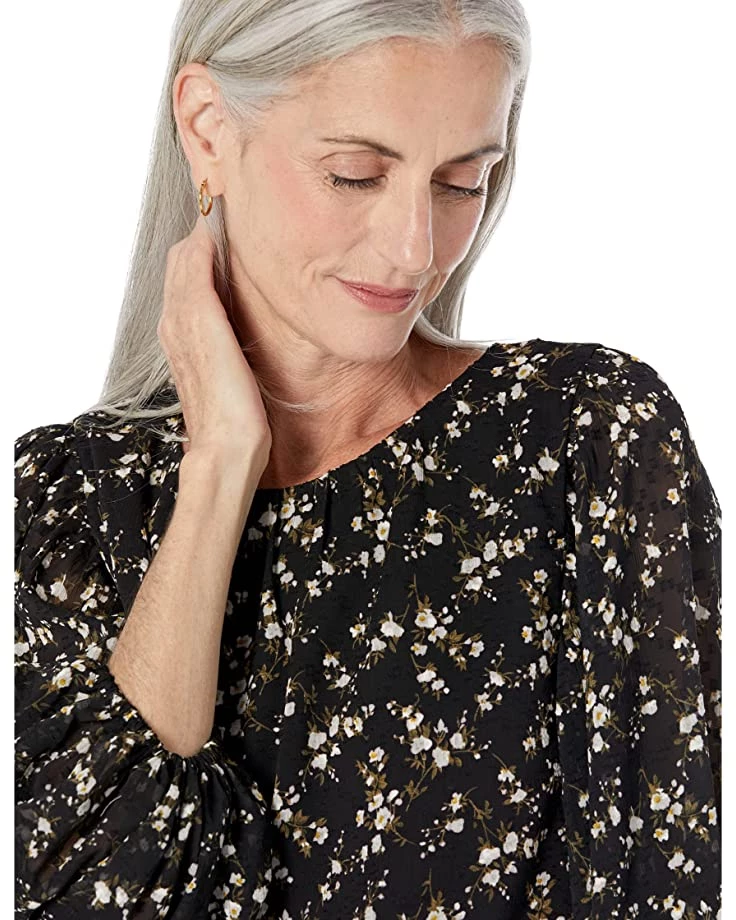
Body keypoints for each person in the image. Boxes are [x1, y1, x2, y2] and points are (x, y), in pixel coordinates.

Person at [14, 1, 721, 918]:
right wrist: (219, 462)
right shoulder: (64, 505)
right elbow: (97, 893)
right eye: (355, 174)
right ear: (208, 127)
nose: (414, 249)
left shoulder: (584, 440)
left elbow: (652, 883)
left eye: (462, 182)